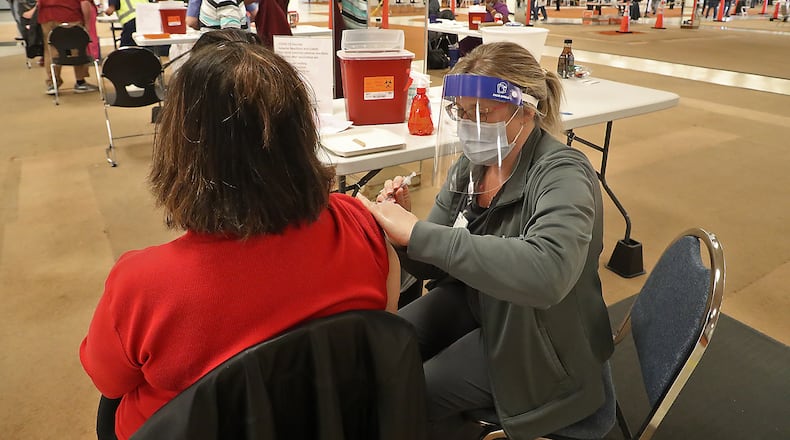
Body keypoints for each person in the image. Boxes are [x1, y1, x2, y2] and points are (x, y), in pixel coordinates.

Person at [79, 29, 401, 440]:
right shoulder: (360, 225)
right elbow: (383, 336)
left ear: (181, 148)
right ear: (302, 136)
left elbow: (108, 380)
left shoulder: (141, 286)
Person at [359, 42, 614, 439]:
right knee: (379, 351)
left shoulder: (562, 172)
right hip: (484, 302)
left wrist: (420, 233)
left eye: (482, 111)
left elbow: (548, 272)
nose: (469, 123)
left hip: (539, 337)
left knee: (408, 395)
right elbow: (432, 262)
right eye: (461, 111)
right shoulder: (473, 167)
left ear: (526, 109)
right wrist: (403, 232)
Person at [34, 0, 99, 95]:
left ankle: (53, 83)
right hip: (70, 16)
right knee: (76, 48)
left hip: (47, 18)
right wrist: (87, 25)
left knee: (51, 50)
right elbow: (84, 3)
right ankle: (80, 82)